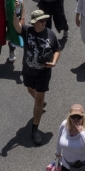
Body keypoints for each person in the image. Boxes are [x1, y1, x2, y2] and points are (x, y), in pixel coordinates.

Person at [19, 9, 59, 144]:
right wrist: (15, 8)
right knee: (30, 89)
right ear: (34, 22)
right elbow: (15, 25)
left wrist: (54, 62)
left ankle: (35, 129)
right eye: (41, 21)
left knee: (39, 98)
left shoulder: (50, 34)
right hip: (28, 71)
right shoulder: (27, 31)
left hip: (43, 73)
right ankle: (40, 103)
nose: (44, 22)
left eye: (45, 20)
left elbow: (57, 49)